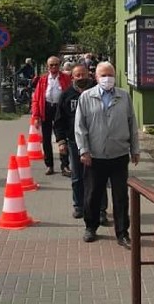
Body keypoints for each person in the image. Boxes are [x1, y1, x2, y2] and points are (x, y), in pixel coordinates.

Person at [75, 61, 139, 247]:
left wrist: (134, 149)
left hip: (119, 155)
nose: (107, 79)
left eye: (110, 75)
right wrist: (83, 150)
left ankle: (122, 233)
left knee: (120, 196)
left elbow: (132, 124)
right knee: (92, 194)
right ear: (96, 77)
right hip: (95, 156)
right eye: (103, 75)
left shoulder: (124, 97)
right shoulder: (86, 97)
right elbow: (80, 127)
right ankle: (91, 227)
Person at [53, 63, 109, 222]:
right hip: (74, 142)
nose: (81, 77)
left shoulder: (99, 92)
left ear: (89, 76)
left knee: (99, 177)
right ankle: (79, 206)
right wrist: (61, 140)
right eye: (77, 75)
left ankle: (101, 210)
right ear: (72, 77)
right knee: (77, 177)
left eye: (83, 74)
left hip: (96, 142)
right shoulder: (66, 95)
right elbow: (59, 120)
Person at [31, 55, 72, 175]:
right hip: (47, 108)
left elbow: (70, 94)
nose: (54, 67)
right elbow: (36, 99)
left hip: (61, 110)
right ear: (47, 66)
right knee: (46, 139)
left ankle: (65, 165)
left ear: (59, 65)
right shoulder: (43, 80)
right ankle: (49, 165)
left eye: (56, 64)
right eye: (51, 65)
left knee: (62, 137)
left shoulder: (65, 78)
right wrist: (36, 116)